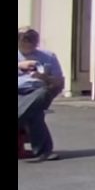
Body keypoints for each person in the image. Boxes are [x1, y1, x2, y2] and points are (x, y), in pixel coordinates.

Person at [18, 27, 65, 162]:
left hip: (37, 91)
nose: (28, 43)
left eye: (31, 40)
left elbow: (59, 83)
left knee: (41, 95)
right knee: (35, 113)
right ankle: (43, 151)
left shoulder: (48, 56)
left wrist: (45, 78)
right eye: (24, 39)